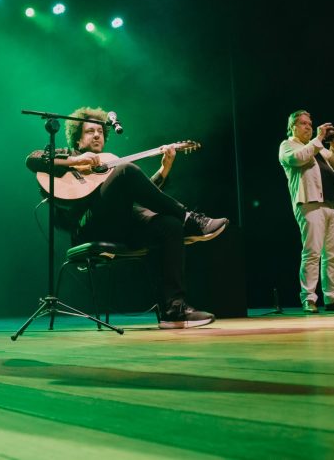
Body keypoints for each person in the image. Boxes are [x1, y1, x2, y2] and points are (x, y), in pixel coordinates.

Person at [25, 107, 229, 329]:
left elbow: (143, 195)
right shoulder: (68, 155)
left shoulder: (108, 163)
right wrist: (75, 161)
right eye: (90, 131)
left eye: (100, 132)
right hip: (88, 228)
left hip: (121, 226)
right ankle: (190, 219)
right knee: (125, 170)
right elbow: (32, 160)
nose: (97, 135)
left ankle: (174, 310)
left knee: (170, 225)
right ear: (77, 138)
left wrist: (164, 169)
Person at [278, 110, 334, 313]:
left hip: (331, 204)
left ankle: (332, 298)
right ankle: (308, 298)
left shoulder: (318, 148)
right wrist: (319, 138)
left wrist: (333, 143)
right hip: (309, 204)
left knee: (333, 254)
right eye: (303, 123)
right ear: (293, 127)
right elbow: (298, 159)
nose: (308, 127)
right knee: (312, 252)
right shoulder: (288, 145)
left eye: (310, 124)